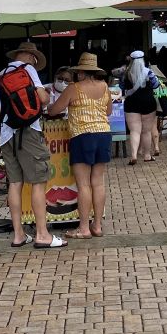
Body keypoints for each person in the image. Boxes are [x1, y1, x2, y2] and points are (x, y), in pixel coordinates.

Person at [0, 41, 66, 249]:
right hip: (30, 132)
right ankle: (42, 234)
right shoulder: (29, 70)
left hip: (7, 135)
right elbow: (43, 99)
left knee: (15, 183)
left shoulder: (0, 75)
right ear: (30, 56)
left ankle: (18, 235)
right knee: (38, 182)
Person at [49, 53, 111, 239]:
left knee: (83, 184)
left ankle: (83, 228)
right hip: (103, 134)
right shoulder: (104, 86)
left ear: (81, 72)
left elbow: (54, 110)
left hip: (82, 136)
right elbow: (108, 111)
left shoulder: (73, 88)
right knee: (98, 182)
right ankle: (97, 225)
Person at [120, 50, 160, 165]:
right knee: (146, 131)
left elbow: (122, 87)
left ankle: (133, 155)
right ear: (142, 60)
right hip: (148, 102)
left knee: (134, 131)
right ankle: (147, 155)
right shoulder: (149, 72)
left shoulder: (126, 73)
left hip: (131, 103)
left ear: (131, 60)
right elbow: (156, 85)